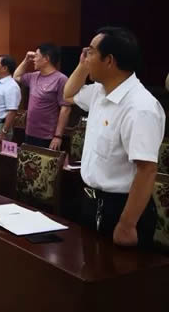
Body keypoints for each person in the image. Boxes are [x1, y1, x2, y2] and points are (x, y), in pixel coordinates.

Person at [64, 27, 165, 248]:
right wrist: (83, 65)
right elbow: (68, 94)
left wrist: (127, 224)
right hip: (92, 201)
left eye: (90, 52)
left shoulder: (140, 107)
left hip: (120, 208)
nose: (86, 57)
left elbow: (146, 170)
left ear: (109, 61)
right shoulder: (99, 91)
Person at [14, 43, 71, 150]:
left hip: (48, 136)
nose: (34, 59)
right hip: (30, 132)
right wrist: (26, 60)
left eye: (36, 56)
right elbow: (16, 76)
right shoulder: (33, 76)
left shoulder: (61, 79)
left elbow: (65, 109)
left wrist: (58, 136)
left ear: (46, 59)